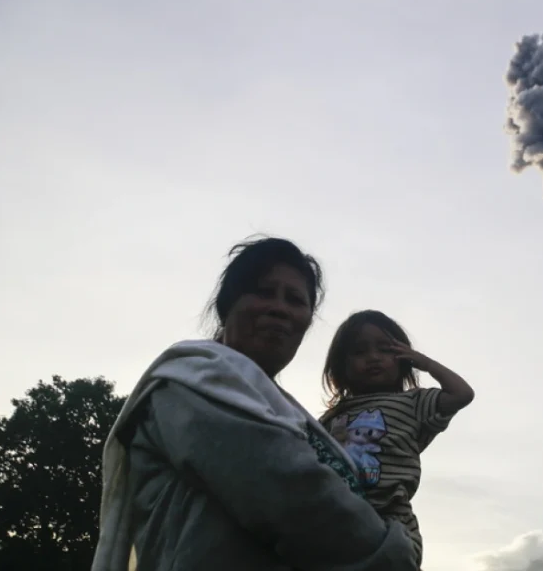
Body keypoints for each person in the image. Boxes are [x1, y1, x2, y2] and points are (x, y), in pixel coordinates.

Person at [92, 237, 417, 571]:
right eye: (263, 292)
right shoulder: (190, 383)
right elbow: (294, 497)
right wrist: (394, 551)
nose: (279, 308)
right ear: (227, 304)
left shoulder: (290, 414)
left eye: (295, 299)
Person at [319, 310, 475, 566]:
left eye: (386, 349)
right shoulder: (330, 418)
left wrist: (424, 362)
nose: (373, 358)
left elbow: (462, 394)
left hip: (390, 519)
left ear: (403, 359)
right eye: (359, 352)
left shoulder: (413, 402)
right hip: (337, 518)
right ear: (341, 366)